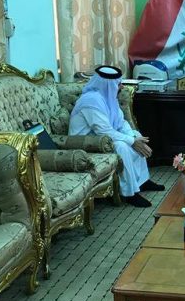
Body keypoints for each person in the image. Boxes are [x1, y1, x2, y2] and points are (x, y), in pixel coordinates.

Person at [69, 65, 163, 208]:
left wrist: (133, 137)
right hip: (85, 143)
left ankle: (143, 181)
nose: (121, 87)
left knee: (137, 135)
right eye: (118, 84)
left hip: (102, 138)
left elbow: (121, 122)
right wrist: (131, 141)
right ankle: (129, 193)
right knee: (121, 146)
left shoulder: (107, 97)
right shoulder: (90, 100)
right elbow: (104, 131)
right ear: (108, 84)